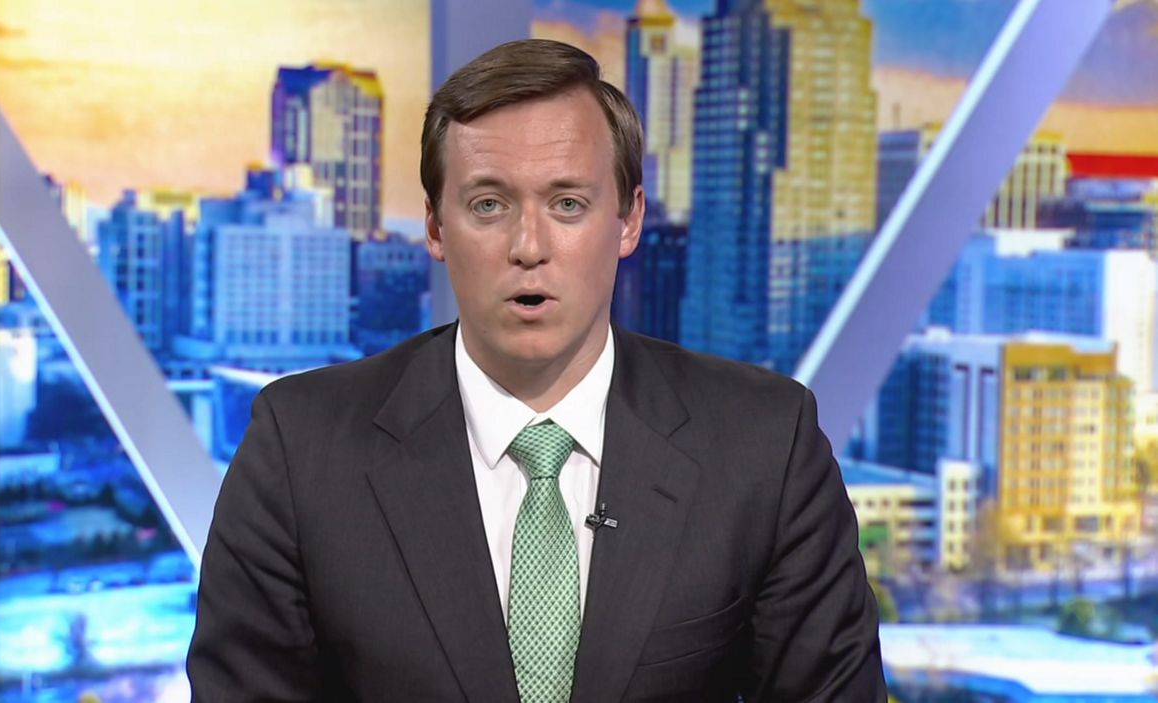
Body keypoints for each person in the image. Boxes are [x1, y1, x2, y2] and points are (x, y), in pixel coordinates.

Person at [187, 38, 886, 702]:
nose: (528, 246)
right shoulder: (301, 449)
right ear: (434, 227)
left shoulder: (765, 447)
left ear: (629, 220)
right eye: (488, 205)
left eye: (567, 204)